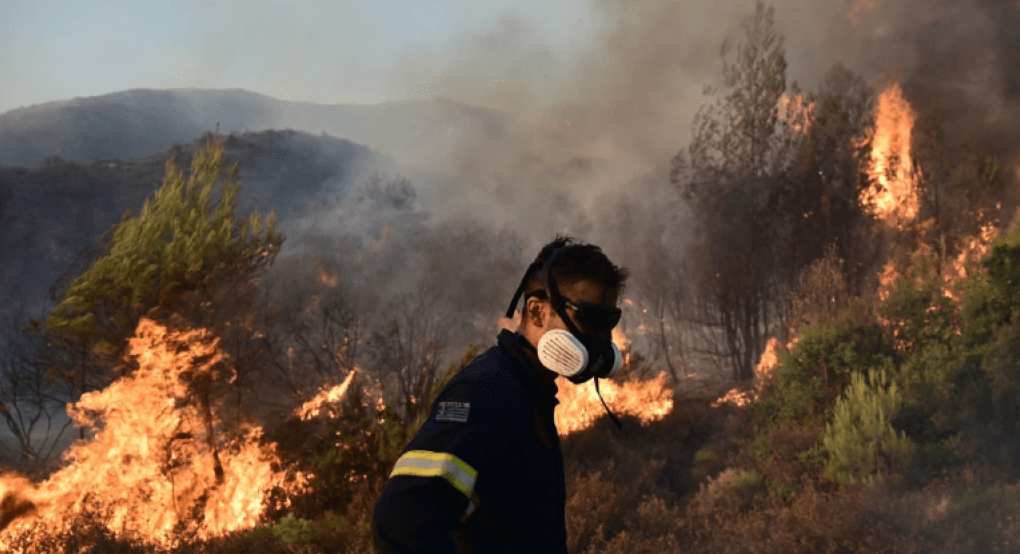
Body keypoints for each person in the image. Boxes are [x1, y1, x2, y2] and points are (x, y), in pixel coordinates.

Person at [372, 235, 629, 553]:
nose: (599, 340)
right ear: (536, 312)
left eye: (607, 323)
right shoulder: (486, 390)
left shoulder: (529, 392)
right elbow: (401, 519)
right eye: (588, 319)